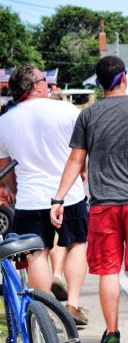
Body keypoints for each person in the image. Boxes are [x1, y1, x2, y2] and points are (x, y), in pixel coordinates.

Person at [51, 55, 128, 343]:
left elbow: (76, 160)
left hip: (103, 204)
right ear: (124, 79)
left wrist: (59, 198)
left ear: (99, 83)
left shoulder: (88, 116)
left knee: (109, 270)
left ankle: (111, 334)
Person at [0, 64, 89, 325]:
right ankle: (72, 303)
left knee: (36, 251)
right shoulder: (66, 110)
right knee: (76, 244)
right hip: (69, 194)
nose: (49, 86)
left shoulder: (4, 122)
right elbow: (81, 152)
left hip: (30, 197)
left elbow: (5, 167)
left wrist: (13, 190)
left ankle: (47, 311)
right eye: (45, 81)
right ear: (36, 86)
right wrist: (81, 172)